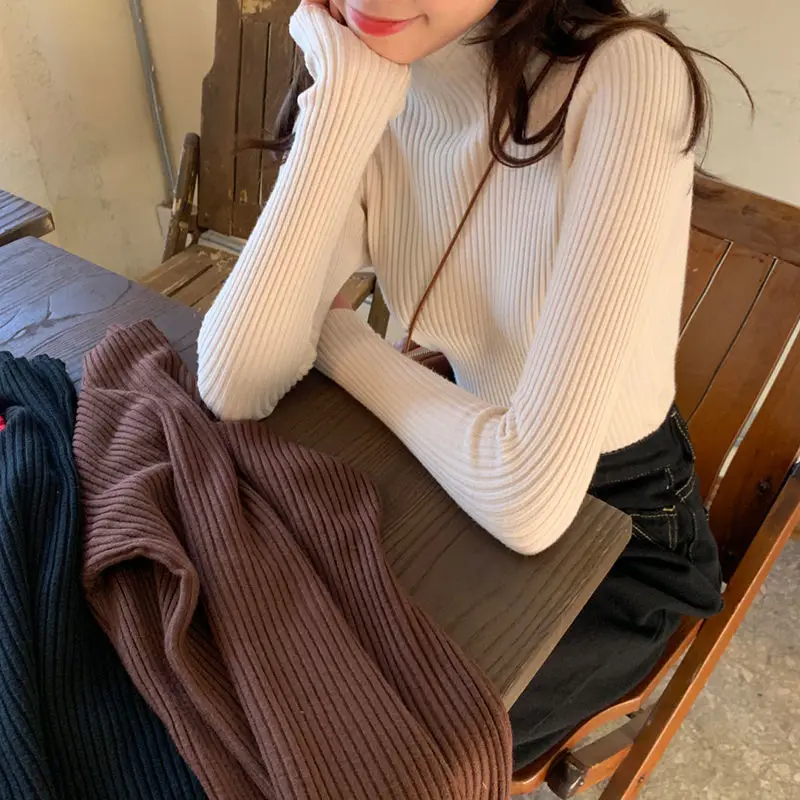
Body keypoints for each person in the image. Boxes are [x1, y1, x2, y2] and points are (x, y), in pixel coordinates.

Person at [197, 0, 744, 769]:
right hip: (452, 469)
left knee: (354, 745)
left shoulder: (629, 76)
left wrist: (341, 339)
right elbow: (235, 378)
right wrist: (341, 102)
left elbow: (527, 496)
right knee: (230, 664)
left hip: (622, 534)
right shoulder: (375, 72)